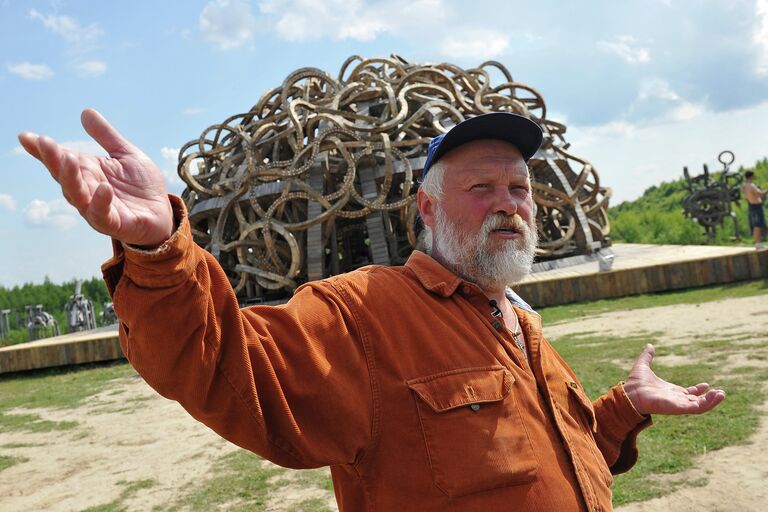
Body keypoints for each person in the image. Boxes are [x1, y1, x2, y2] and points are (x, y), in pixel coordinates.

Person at [18, 110, 726, 512]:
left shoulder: (520, 320)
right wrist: (159, 250)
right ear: (425, 207)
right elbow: (222, 365)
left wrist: (624, 407)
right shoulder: (361, 314)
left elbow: (553, 462)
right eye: (480, 187)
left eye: (518, 187)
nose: (508, 203)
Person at [744, 170, 767, 249]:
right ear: (751, 176)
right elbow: (760, 194)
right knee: (758, 225)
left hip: (752, 206)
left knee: (756, 225)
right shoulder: (751, 185)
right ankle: (758, 244)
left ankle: (758, 243)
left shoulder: (745, 186)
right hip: (756, 206)